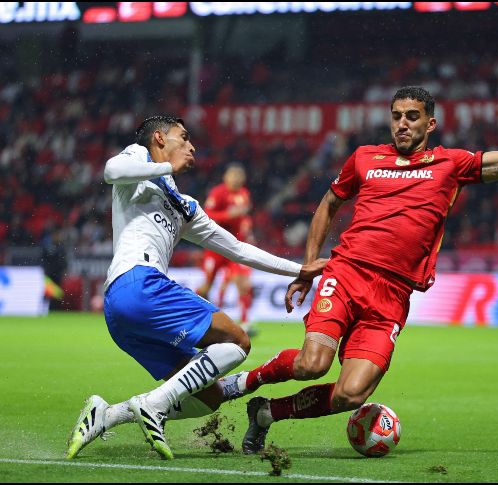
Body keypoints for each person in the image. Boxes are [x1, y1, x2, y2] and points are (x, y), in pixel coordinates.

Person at [220, 52, 498, 454]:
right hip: (346, 274)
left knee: (351, 394)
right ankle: (244, 383)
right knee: (312, 364)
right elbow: (328, 204)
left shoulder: (451, 164)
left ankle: (267, 413)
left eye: (412, 116)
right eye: (396, 116)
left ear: (430, 123)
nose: (402, 124)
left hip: (392, 295)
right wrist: (309, 265)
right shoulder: (364, 158)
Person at [65, 115, 327, 460]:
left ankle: (108, 414)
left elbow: (237, 249)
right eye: (183, 137)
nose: (192, 146)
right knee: (237, 341)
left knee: (209, 398)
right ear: (160, 138)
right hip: (137, 283)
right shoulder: (138, 158)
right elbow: (111, 172)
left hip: (124, 313)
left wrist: (301, 270)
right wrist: (164, 168)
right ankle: (153, 406)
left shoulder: (185, 206)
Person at [195, 164, 257, 335]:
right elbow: (207, 215)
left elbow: (243, 217)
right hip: (215, 246)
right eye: (234, 177)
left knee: (243, 283)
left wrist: (248, 233)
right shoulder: (218, 193)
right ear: (226, 178)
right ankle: (193, 313)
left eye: (239, 178)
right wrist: (227, 215)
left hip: (235, 247)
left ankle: (245, 322)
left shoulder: (244, 194)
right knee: (206, 287)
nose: (237, 181)